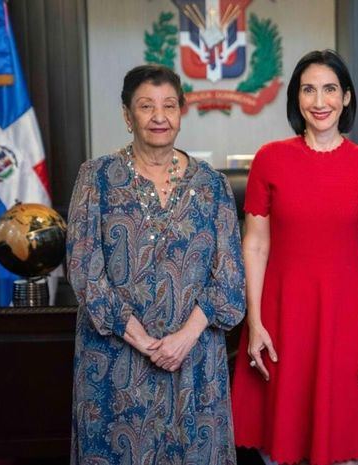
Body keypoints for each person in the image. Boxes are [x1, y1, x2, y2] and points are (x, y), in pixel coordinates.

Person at [66, 64, 245, 464]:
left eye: (169, 105)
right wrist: (144, 342)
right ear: (127, 116)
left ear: (182, 111)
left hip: (194, 365)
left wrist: (183, 339)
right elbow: (85, 273)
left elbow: (230, 279)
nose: (159, 116)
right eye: (146, 106)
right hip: (115, 365)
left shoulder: (212, 184)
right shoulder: (96, 177)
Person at [230, 50, 358, 465]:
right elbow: (254, 245)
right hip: (281, 315)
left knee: (342, 446)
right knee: (279, 446)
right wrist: (254, 322)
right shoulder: (270, 158)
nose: (319, 101)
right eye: (308, 89)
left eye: (329, 89)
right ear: (296, 98)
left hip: (345, 318)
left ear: (346, 98)